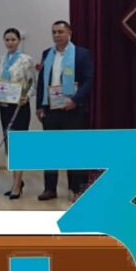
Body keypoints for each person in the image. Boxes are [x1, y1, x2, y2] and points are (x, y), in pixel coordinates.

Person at [36, 20, 94, 202]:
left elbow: (89, 80)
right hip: (51, 109)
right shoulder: (47, 54)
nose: (57, 35)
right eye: (54, 32)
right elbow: (41, 81)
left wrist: (75, 100)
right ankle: (50, 188)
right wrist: (39, 106)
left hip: (73, 109)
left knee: (74, 150)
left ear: (69, 33)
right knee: (50, 151)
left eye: (60, 32)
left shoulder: (82, 54)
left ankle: (76, 189)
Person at [0, 28, 37, 200]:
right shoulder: (1, 60)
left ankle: (17, 185)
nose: (10, 42)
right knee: (10, 147)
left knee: (19, 146)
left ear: (18, 41)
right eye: (7, 39)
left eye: (13, 39)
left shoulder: (26, 60)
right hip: (4, 107)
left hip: (20, 108)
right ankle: (16, 181)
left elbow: (33, 84)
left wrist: (27, 97)